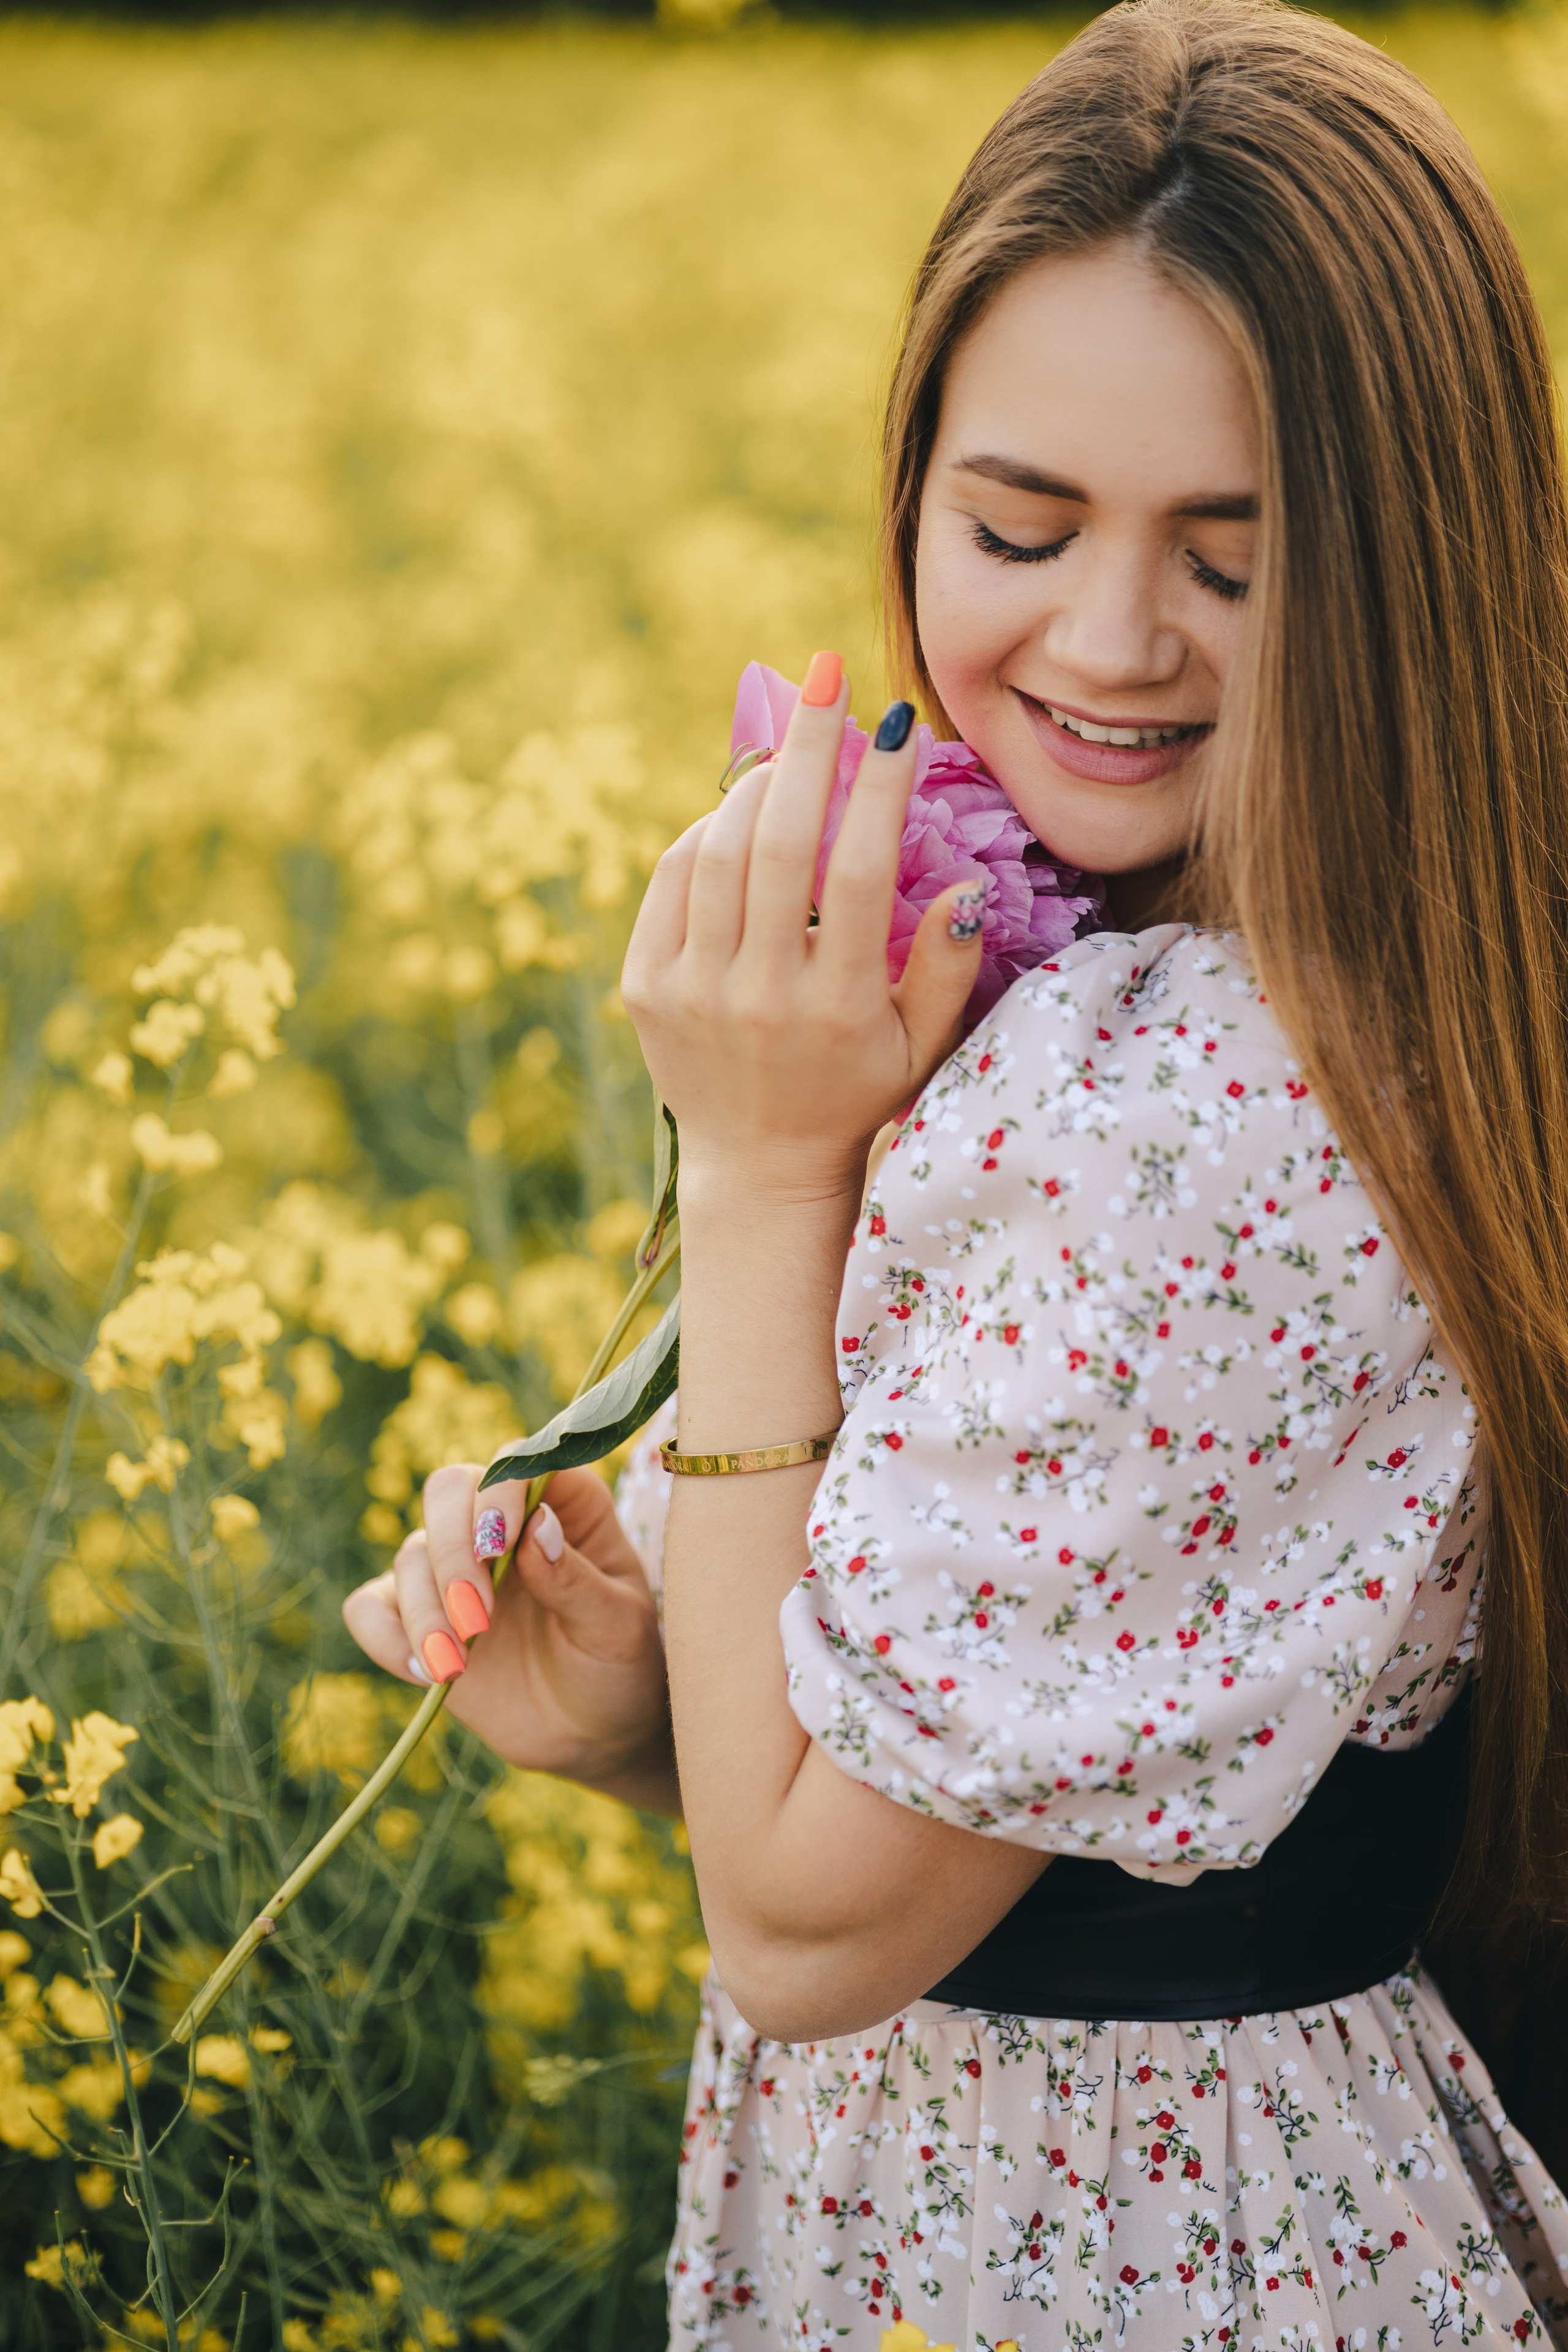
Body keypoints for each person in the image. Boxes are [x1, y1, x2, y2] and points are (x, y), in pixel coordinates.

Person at [343, 0, 1568, 2340]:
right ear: (911, 481)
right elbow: (1061, 1796)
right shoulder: (1341, 982)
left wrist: (767, 1165)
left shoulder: (1203, 1115)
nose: (1107, 645)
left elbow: (806, 1940)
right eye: (1018, 526)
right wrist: (663, 1728)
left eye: (1241, 556)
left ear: (1417, 568)